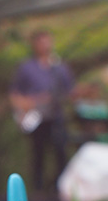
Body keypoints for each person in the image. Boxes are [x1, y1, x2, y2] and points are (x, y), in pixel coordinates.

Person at [9, 30, 77, 190]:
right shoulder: (26, 68)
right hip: (35, 117)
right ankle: (38, 189)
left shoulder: (59, 68)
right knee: (38, 154)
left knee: (61, 150)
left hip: (55, 115)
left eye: (47, 41)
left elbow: (70, 92)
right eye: (41, 42)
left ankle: (60, 188)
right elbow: (15, 94)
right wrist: (27, 103)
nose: (45, 45)